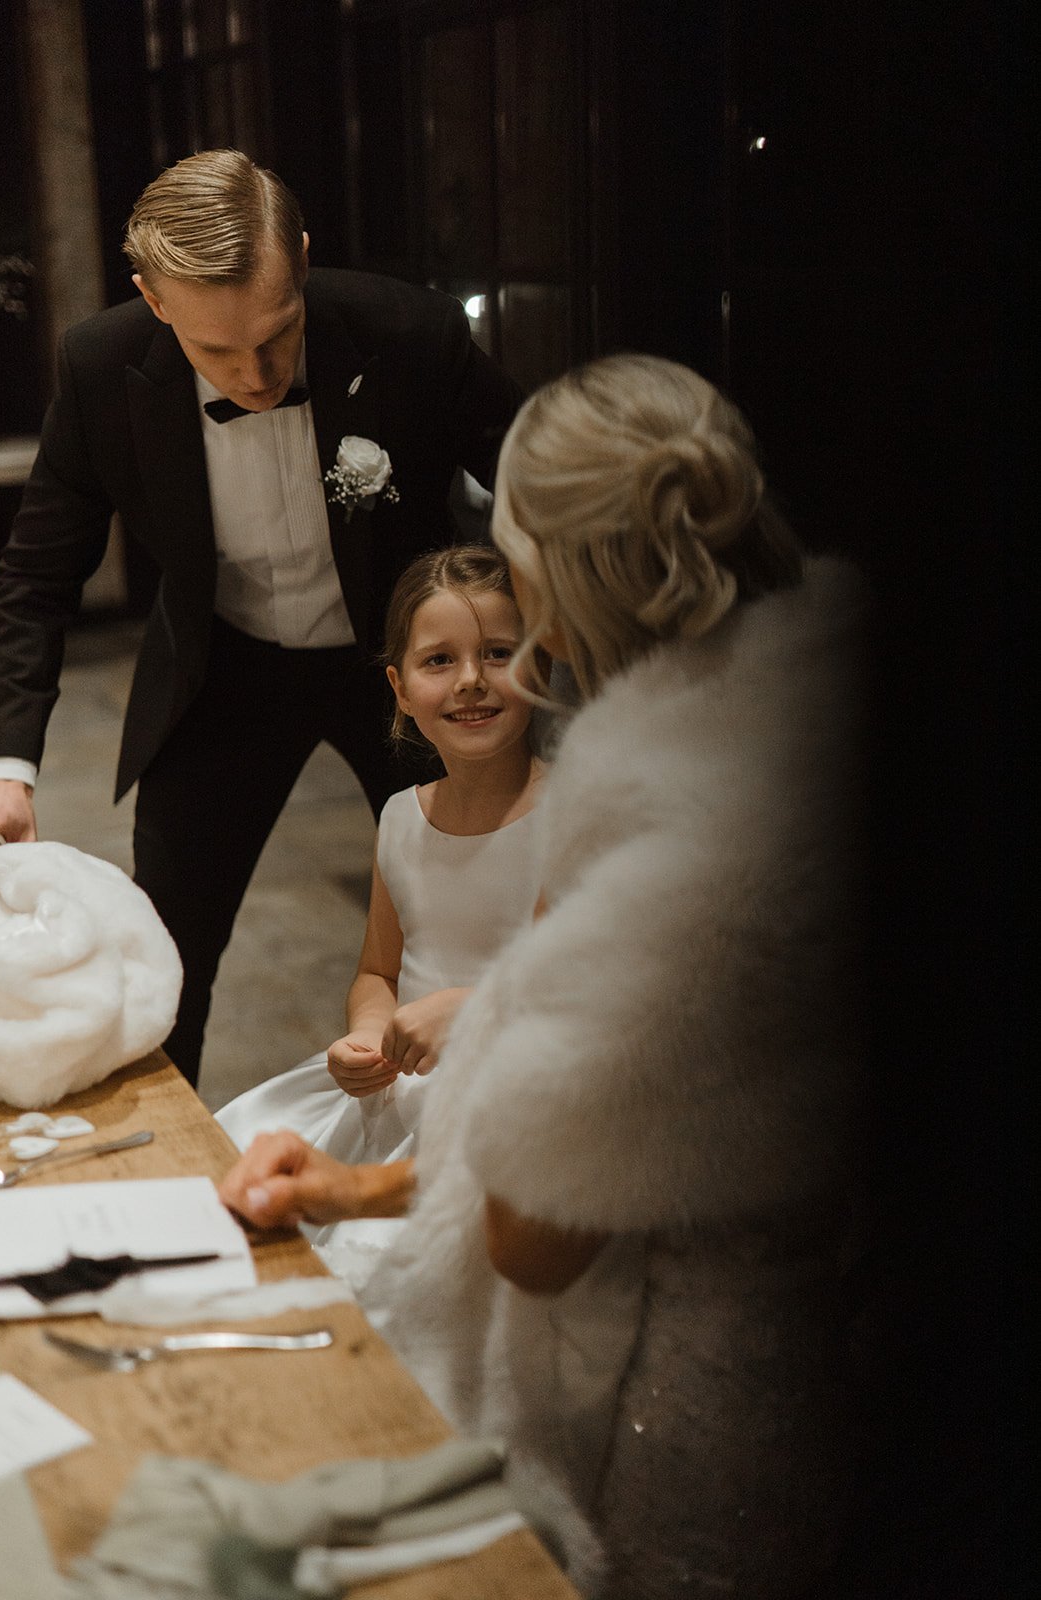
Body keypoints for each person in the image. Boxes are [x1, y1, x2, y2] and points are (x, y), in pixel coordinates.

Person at [218, 354, 875, 1597]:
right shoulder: (822, 722)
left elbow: (535, 1230)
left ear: (563, 585)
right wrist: (357, 1185)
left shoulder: (668, 856)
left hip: (675, 1393)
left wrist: (486, 1044)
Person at [0, 149, 519, 1086]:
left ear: (300, 258)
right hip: (222, 669)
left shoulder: (408, 330)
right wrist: (3, 770)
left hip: (404, 671)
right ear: (153, 302)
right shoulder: (100, 365)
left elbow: (543, 486)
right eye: (216, 353)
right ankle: (166, 1158)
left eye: (276, 334)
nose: (257, 376)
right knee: (163, 952)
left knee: (473, 924)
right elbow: (34, 577)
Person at [217, 544, 544, 1287]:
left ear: (542, 664)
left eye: (498, 653)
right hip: (402, 1095)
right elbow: (378, 970)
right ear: (399, 688)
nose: (470, 680)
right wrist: (369, 1032)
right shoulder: (401, 819)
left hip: (507, 1101)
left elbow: (591, 991)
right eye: (439, 661)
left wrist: (475, 1009)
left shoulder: (572, 811)